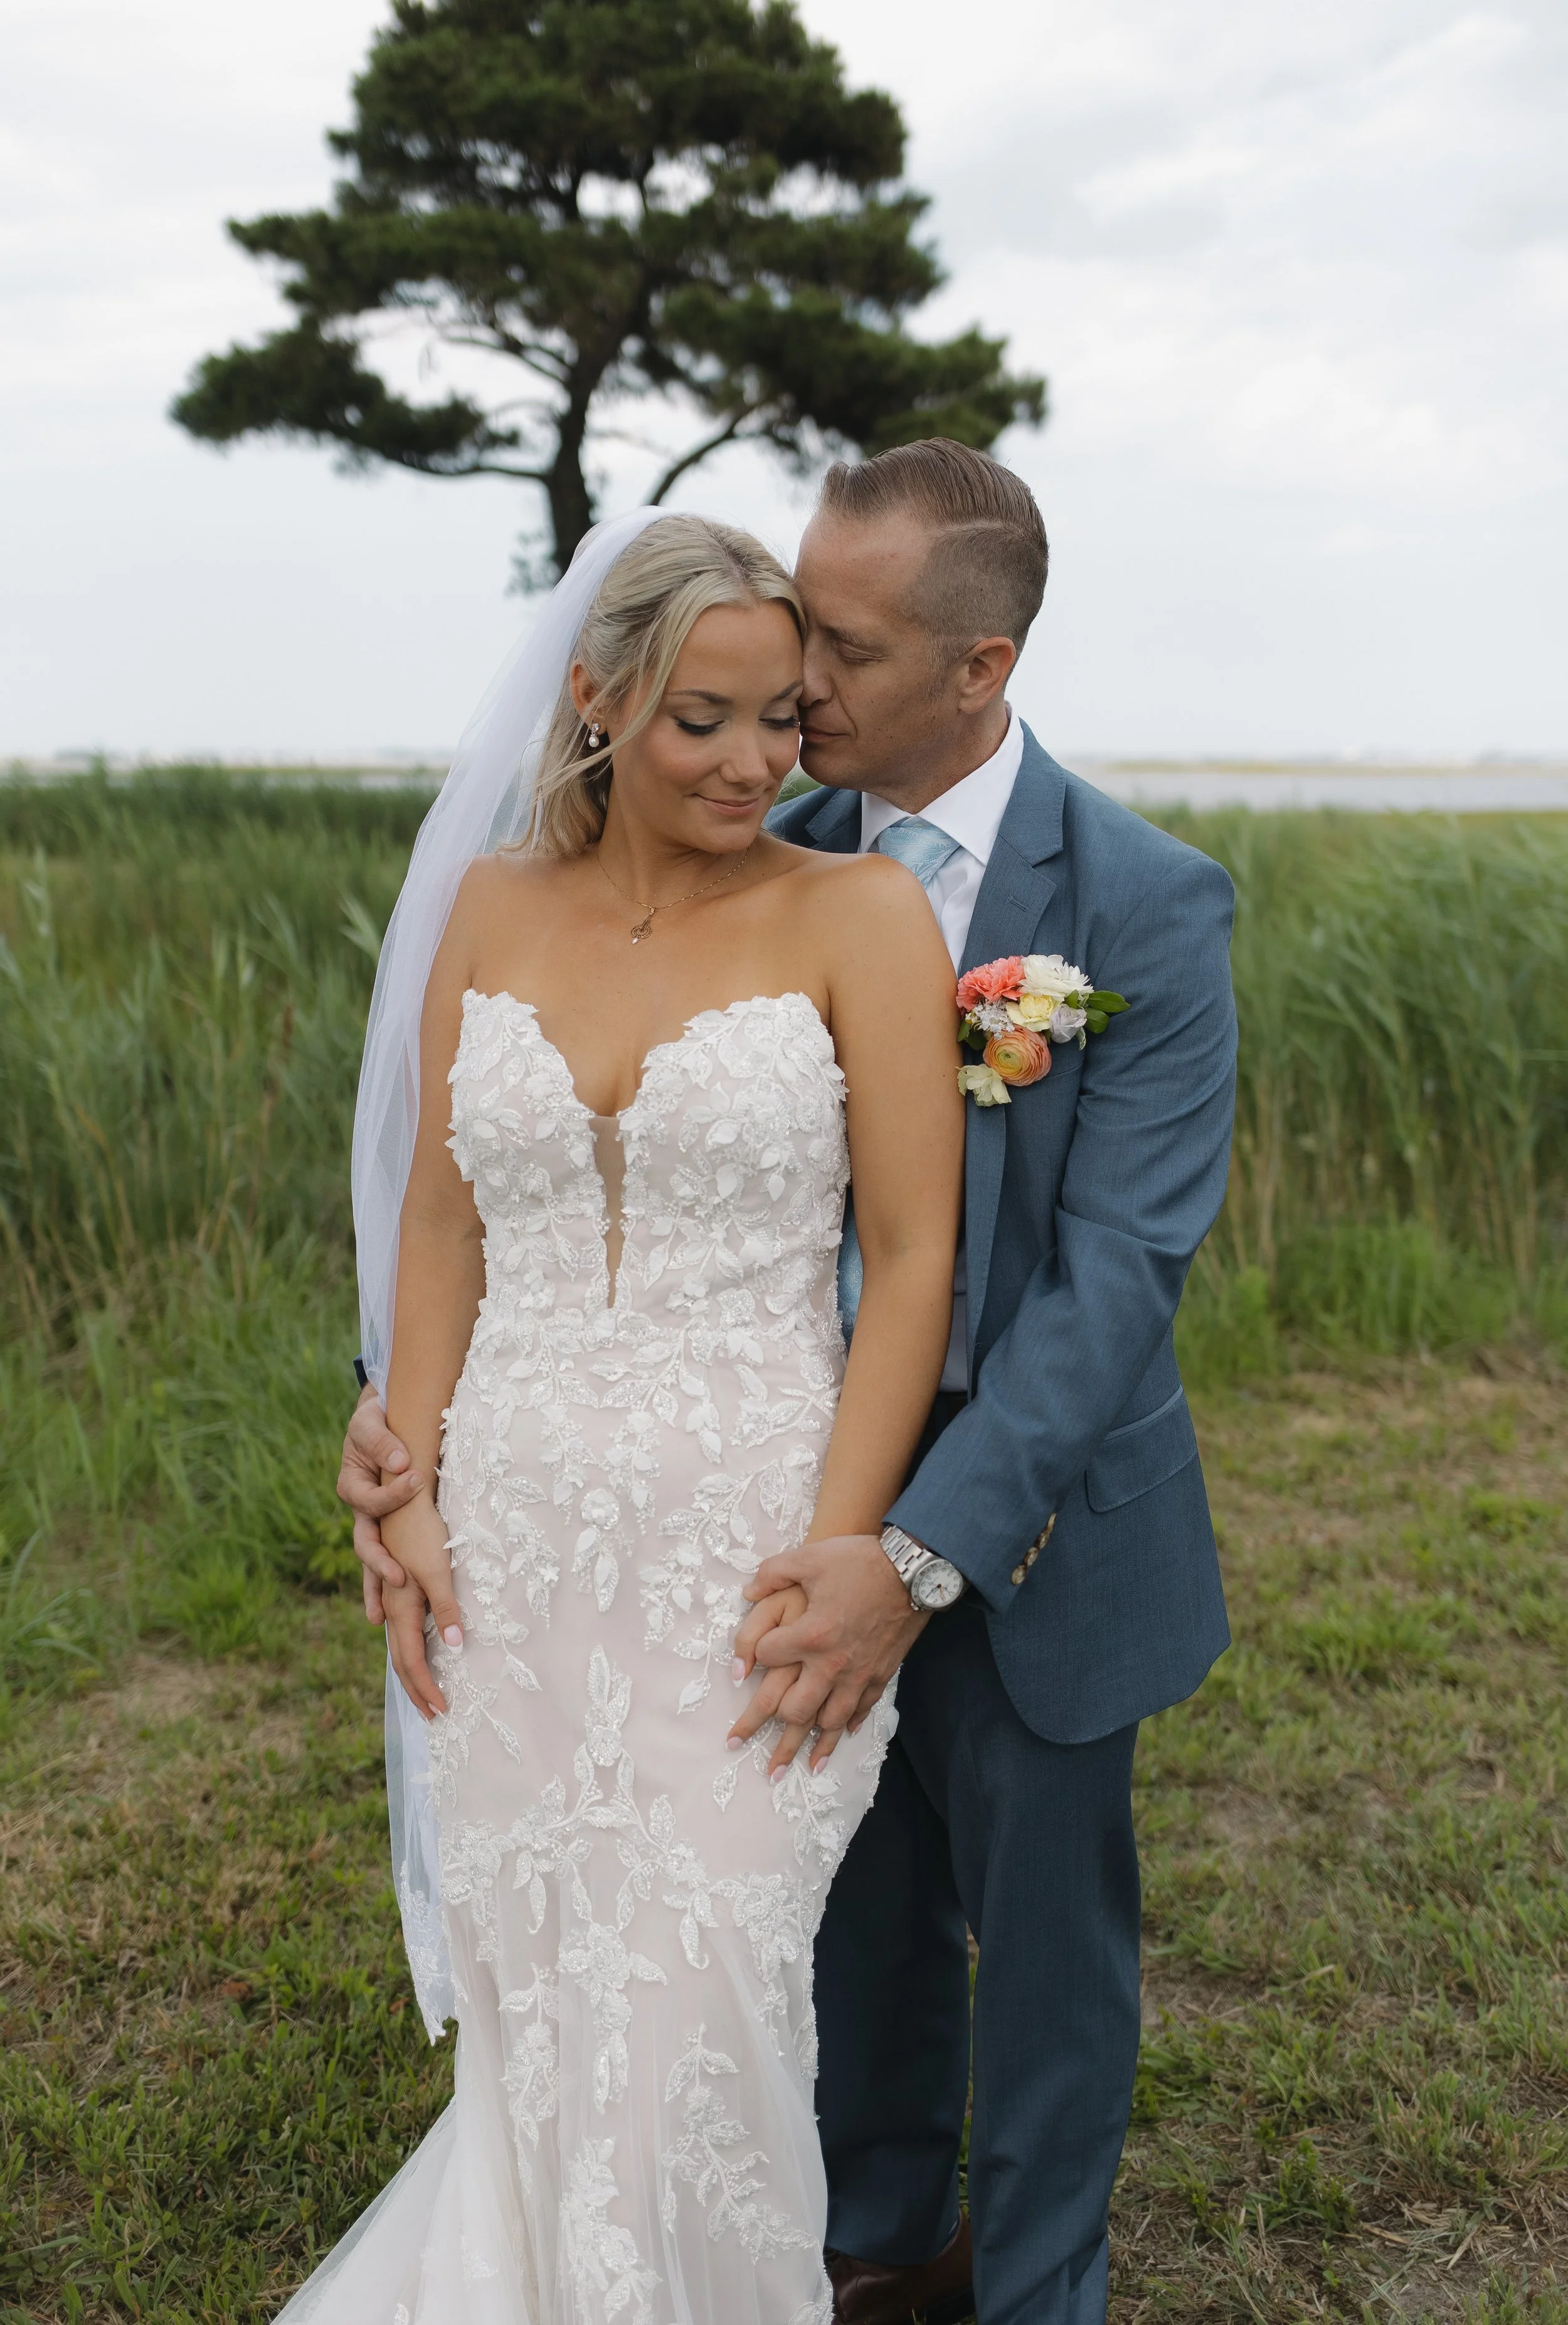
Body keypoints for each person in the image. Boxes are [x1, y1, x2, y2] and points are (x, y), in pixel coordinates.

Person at [344, 442, 1239, 2325]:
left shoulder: (1144, 904)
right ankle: (873, 2250)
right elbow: (470, 1195)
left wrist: (899, 1550)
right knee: (841, 1953)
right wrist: (410, 1442)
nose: (790, 702)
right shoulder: (762, 840)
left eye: (831, 647)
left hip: (1017, 1522)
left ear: (974, 666)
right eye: (752, 675)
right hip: (669, 1509)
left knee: (1044, 1950)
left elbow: (1110, 1282)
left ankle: (1035, 2297)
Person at [285, 511, 963, 2324]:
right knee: (543, 1987)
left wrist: (850, 1546)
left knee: (710, 1990)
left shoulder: (858, 916)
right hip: (504, 1528)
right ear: (596, 701)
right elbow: (440, 1218)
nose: (754, 760)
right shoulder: (493, 908)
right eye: (703, 720)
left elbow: (907, 1262)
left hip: (747, 1537)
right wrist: (404, 1465)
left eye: (783, 720)